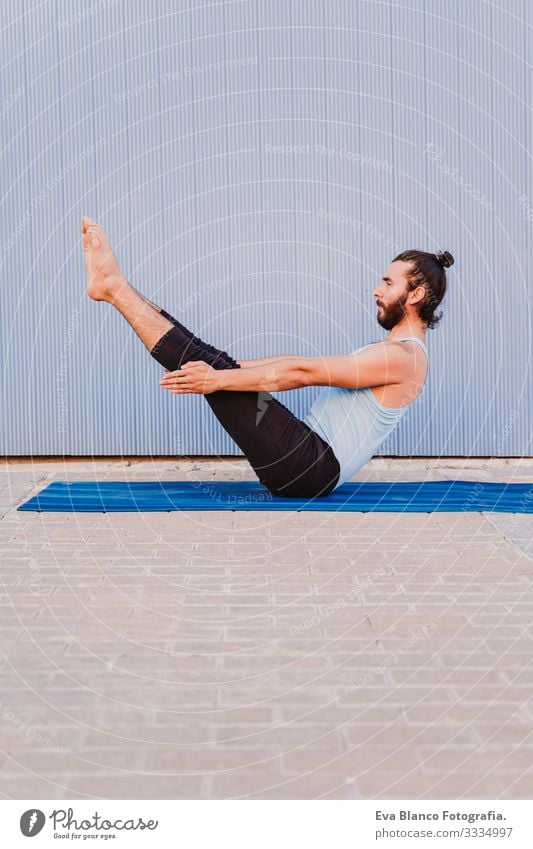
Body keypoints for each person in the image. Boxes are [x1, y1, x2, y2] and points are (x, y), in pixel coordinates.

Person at [80, 217, 453, 498]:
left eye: (388, 283)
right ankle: (114, 287)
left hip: (309, 468)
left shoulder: (403, 357)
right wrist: (225, 368)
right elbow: (297, 360)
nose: (376, 290)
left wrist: (220, 379)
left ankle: (112, 287)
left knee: (215, 368)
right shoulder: (396, 353)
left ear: (416, 295)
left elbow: (304, 371)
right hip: (307, 462)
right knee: (211, 359)